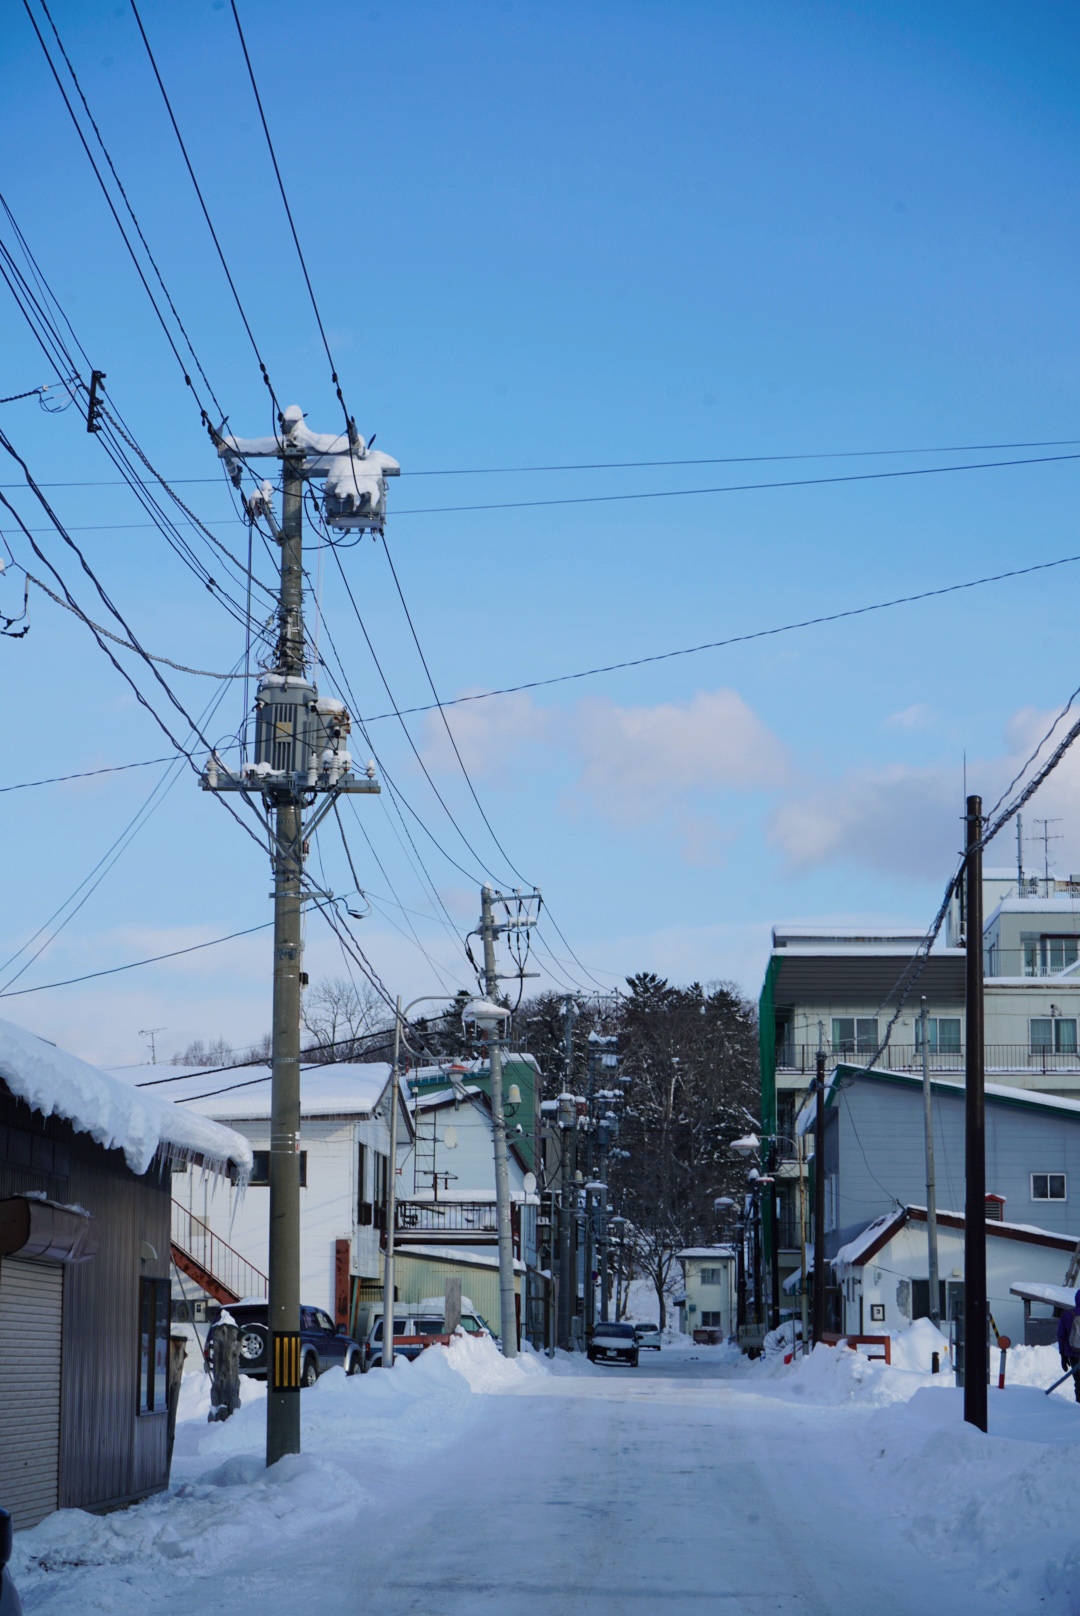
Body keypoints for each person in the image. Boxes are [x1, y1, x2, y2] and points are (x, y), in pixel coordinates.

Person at [1056, 1290, 1080, 1402]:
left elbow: (1062, 1336)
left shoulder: (1068, 1315)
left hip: (1074, 1354)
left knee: (1079, 1383)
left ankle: (1078, 1409)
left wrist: (1063, 1355)